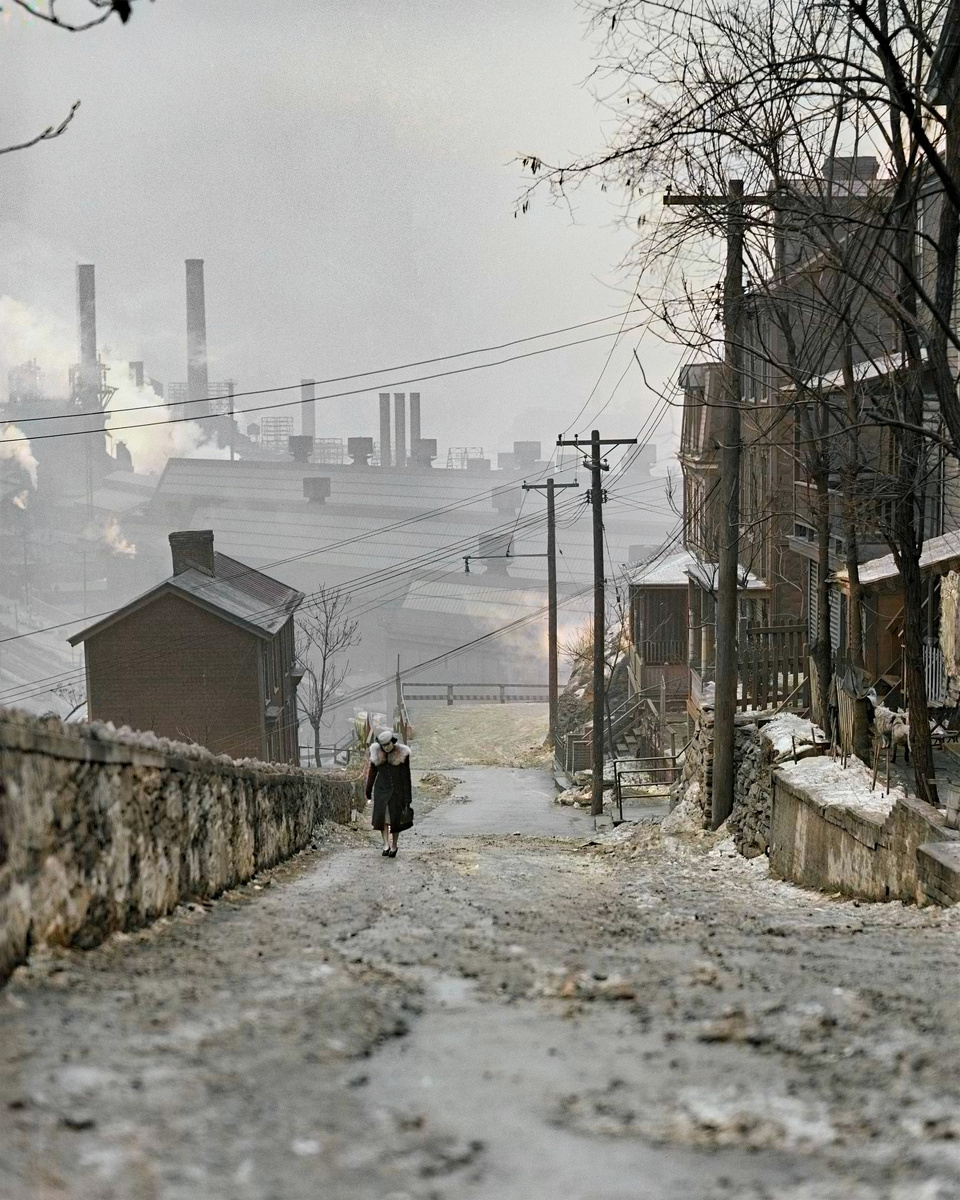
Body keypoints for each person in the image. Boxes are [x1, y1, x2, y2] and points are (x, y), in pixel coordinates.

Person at [365, 729, 413, 857]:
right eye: (383, 745)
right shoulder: (376, 753)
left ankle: (394, 845)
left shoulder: (402, 754)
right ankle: (385, 844)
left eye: (388, 744)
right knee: (383, 819)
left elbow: (406, 777)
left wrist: (408, 799)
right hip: (381, 790)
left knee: (395, 820)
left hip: (397, 792)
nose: (386, 748)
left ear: (393, 742)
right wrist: (368, 790)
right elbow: (372, 772)